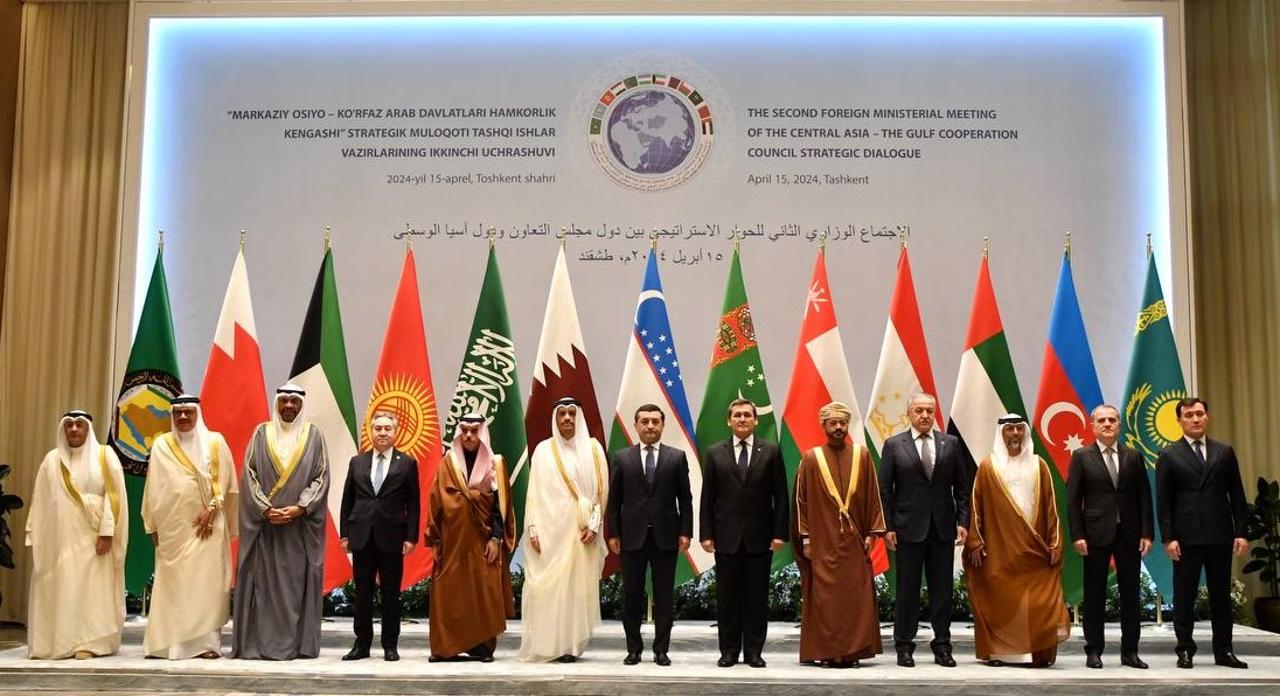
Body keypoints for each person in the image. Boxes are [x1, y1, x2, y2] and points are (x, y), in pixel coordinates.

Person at [232, 384, 330, 660]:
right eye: (284, 401)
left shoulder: (314, 435)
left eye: (294, 401)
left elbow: (321, 476)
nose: (288, 406)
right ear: (277, 403)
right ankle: (259, 645)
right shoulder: (261, 433)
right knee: (263, 588)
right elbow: (249, 474)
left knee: (294, 589)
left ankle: (295, 646)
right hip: (267, 529)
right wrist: (264, 509)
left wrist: (300, 508)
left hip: (297, 531)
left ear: (301, 405)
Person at [964, 414, 1070, 667]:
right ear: (1001, 433)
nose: (1014, 434)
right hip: (999, 548)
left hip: (1034, 547)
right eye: (1009, 429)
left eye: (1019, 429)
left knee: (1036, 601)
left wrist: (1055, 543)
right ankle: (1000, 653)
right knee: (1000, 599)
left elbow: (1052, 508)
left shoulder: (1039, 465)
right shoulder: (988, 466)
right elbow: (976, 506)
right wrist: (975, 541)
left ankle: (1035, 652)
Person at [142, 395, 239, 659]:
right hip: (173, 528)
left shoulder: (215, 442)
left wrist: (213, 509)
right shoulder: (162, 445)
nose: (183, 417)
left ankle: (206, 644)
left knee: (206, 584)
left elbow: (228, 483)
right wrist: (152, 524)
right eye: (178, 413)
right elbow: (152, 487)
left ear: (198, 414)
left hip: (207, 526)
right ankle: (166, 645)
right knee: (173, 586)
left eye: (188, 412)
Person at [1155, 397, 1249, 669]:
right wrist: (1168, 537)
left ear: (1207, 417)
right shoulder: (1168, 454)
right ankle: (1185, 649)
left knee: (1221, 597)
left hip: (1220, 535)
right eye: (1188, 415)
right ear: (1179, 420)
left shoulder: (1224, 451)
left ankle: (1224, 651)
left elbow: (1237, 495)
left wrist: (1241, 533)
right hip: (1186, 538)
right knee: (1185, 597)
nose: (1195, 419)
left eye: (1199, 414)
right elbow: (1163, 501)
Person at [26, 410, 128, 659]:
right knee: (64, 586)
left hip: (93, 536)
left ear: (87, 429)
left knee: (92, 589)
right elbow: (40, 499)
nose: (73, 429)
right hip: (60, 537)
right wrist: (34, 532)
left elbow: (114, 497)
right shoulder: (52, 460)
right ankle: (60, 640)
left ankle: (90, 644)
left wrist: (107, 532)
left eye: (79, 425)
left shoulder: (104, 456)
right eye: (69, 425)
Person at [878, 393, 969, 668]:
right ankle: (904, 646)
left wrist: (963, 522)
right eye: (919, 410)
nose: (925, 415)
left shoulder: (950, 444)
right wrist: (888, 527)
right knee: (907, 591)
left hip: (942, 529)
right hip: (907, 529)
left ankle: (942, 646)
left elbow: (962, 489)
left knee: (943, 592)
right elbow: (885, 491)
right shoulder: (894, 445)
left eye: (929, 410)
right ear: (909, 413)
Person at [793, 402, 885, 668]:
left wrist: (872, 533)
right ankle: (827, 652)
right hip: (822, 542)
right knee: (826, 599)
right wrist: (806, 539)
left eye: (842, 423)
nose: (838, 428)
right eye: (832, 423)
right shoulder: (811, 458)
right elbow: (801, 502)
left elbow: (873, 496)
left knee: (855, 597)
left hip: (855, 542)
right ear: (823, 426)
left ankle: (853, 652)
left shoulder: (861, 455)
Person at [700, 398, 788, 668]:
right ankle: (728, 651)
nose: (742, 419)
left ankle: (753, 652)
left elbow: (780, 496)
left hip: (760, 538)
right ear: (729, 421)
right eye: (737, 415)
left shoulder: (770, 451)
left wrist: (779, 533)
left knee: (756, 599)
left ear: (755, 420)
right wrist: (706, 534)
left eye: (747, 415)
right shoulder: (715, 452)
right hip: (725, 538)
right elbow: (707, 497)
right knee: (727, 599)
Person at [518, 397, 609, 663]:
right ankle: (549, 644)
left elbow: (601, 493)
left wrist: (594, 526)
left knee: (575, 590)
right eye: (562, 414)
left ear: (579, 417)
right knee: (549, 589)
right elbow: (533, 493)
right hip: (549, 531)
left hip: (580, 532)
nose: (567, 418)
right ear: (555, 419)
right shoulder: (543, 450)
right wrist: (532, 528)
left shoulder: (593, 449)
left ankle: (570, 645)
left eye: (572, 413)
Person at [1066, 404, 1153, 669]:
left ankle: (1130, 652)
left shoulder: (1133, 456)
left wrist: (1147, 533)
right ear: (1092, 426)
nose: (1107, 424)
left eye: (1112, 420)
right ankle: (1094, 650)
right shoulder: (1081, 456)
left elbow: (1144, 497)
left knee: (1131, 594)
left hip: (1129, 533)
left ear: (1119, 425)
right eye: (1102, 420)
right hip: (1094, 535)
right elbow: (1073, 500)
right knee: (1094, 594)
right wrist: (1077, 534)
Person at [606, 404, 693, 667]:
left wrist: (686, 531)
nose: (650, 426)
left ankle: (661, 650)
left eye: (655, 421)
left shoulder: (676, 457)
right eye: (645, 421)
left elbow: (685, 499)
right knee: (631, 596)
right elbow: (615, 500)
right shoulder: (622, 458)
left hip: (666, 537)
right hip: (632, 537)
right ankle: (633, 649)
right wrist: (613, 533)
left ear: (663, 425)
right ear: (636, 425)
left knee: (664, 597)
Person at [426, 413, 515, 662]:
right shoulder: (448, 462)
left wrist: (496, 539)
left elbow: (501, 506)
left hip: (482, 542)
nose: (468, 435)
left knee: (482, 594)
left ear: (482, 433)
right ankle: (446, 648)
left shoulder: (495, 463)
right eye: (464, 430)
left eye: (474, 431)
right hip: (451, 541)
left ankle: (482, 648)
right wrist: (434, 540)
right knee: (450, 593)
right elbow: (435, 502)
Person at [339, 411, 420, 662]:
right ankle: (361, 644)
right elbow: (347, 500)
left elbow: (414, 504)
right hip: (361, 536)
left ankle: (390, 645)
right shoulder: (357, 462)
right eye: (378, 428)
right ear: (370, 432)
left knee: (390, 593)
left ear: (395, 432)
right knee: (362, 593)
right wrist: (344, 535)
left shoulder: (407, 463)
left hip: (392, 537)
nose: (382, 433)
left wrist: (411, 538)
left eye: (387, 428)